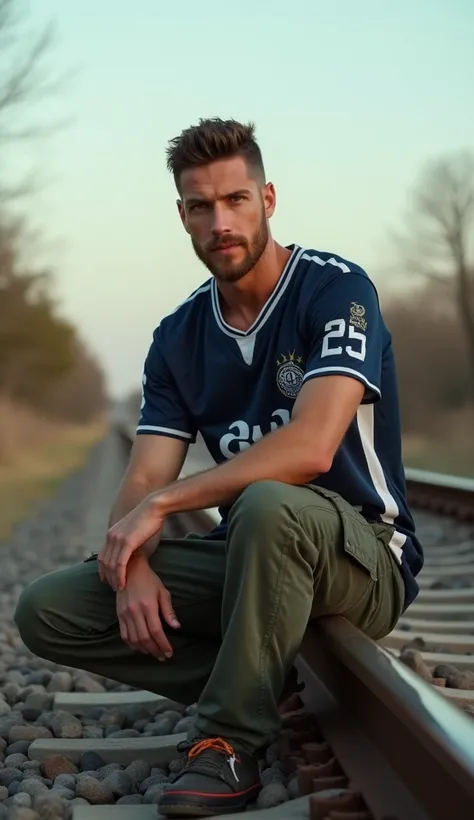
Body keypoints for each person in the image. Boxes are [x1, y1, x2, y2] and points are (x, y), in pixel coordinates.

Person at [15, 118, 423, 817]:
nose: (220, 221)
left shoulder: (336, 289)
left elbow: (312, 447)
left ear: (267, 198)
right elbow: (144, 478)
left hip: (362, 553)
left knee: (267, 502)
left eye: (235, 200)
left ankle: (229, 740)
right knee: (50, 609)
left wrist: (166, 511)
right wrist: (132, 566)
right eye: (201, 206)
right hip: (253, 553)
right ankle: (265, 679)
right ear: (182, 216)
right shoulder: (179, 336)